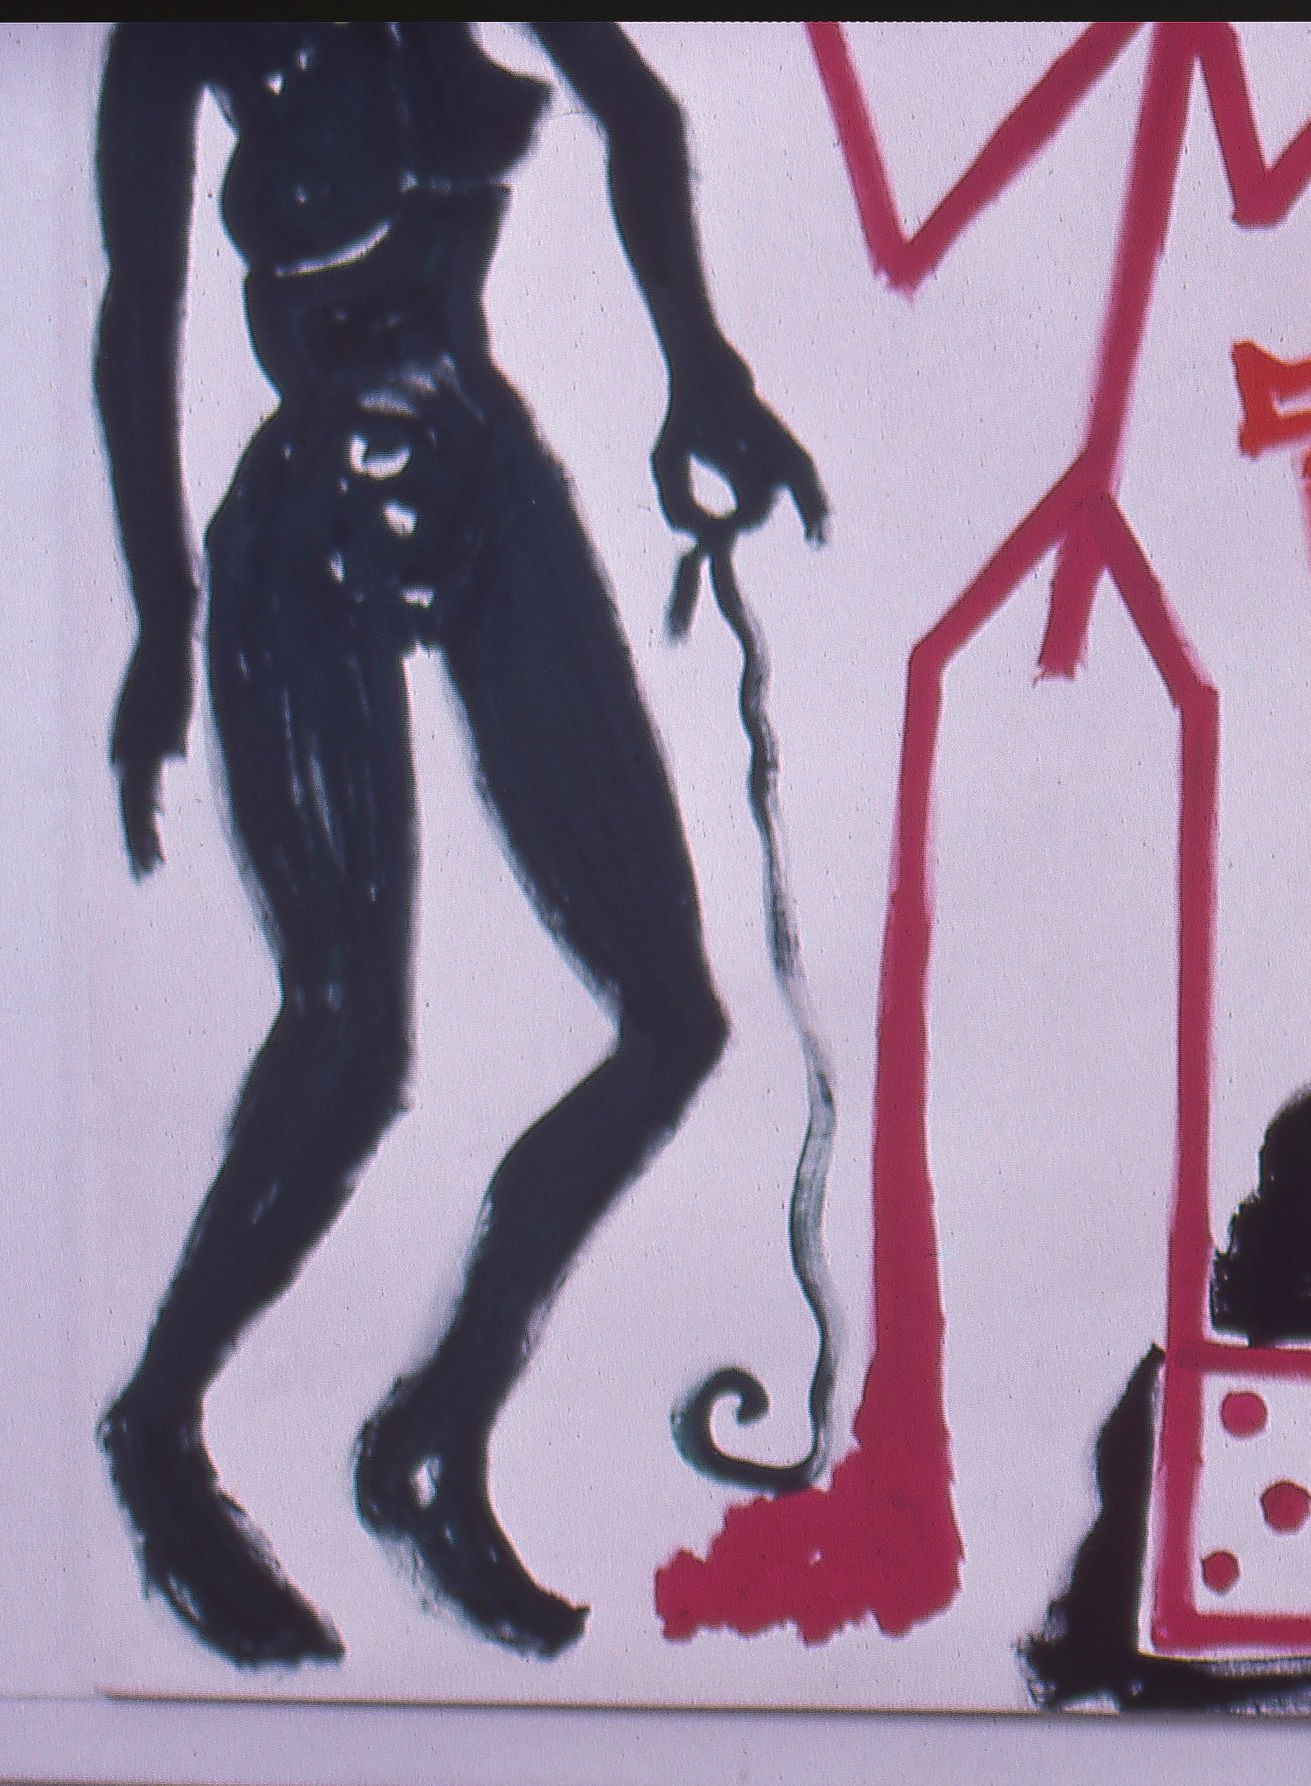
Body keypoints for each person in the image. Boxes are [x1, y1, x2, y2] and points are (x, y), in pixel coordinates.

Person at [92, 24, 826, 1667]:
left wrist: (700, 369)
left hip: (486, 478)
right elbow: (136, 310)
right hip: (307, 528)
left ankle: (432, 1432)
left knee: (674, 1018)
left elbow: (642, 111)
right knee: (348, 1030)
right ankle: (157, 1425)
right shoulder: (176, 41)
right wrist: (160, 613)